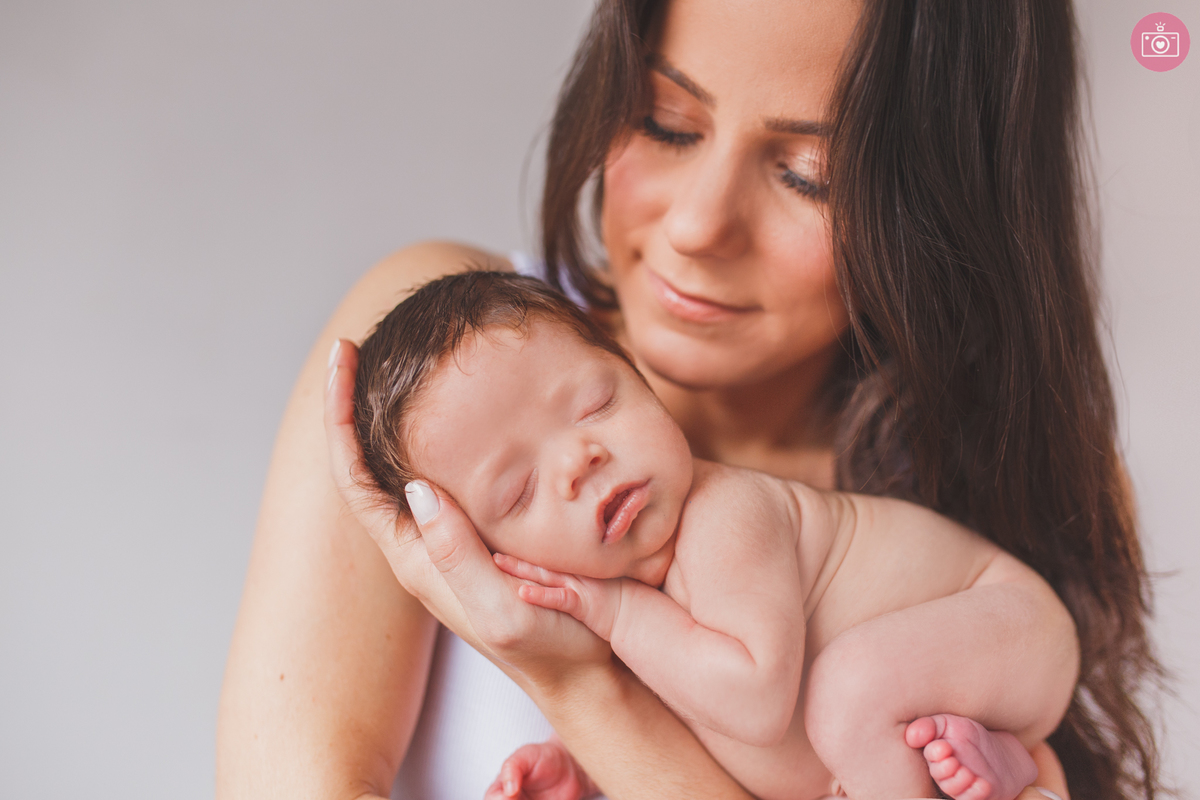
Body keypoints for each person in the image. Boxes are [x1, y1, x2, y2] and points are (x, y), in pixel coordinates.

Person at [216, 1, 1163, 799]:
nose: (701, 226)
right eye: (667, 121)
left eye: (808, 176)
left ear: (942, 212)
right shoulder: (432, 390)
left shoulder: (944, 512)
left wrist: (577, 686)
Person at [351, 270, 1077, 800]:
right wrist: (581, 765)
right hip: (936, 704)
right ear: (487, 554)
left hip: (1004, 621)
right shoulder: (630, 619)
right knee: (853, 704)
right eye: (520, 489)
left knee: (849, 688)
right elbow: (682, 728)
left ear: (638, 375)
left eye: (595, 403)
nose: (580, 459)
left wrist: (618, 613)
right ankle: (1006, 772)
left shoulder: (724, 518)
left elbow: (756, 703)